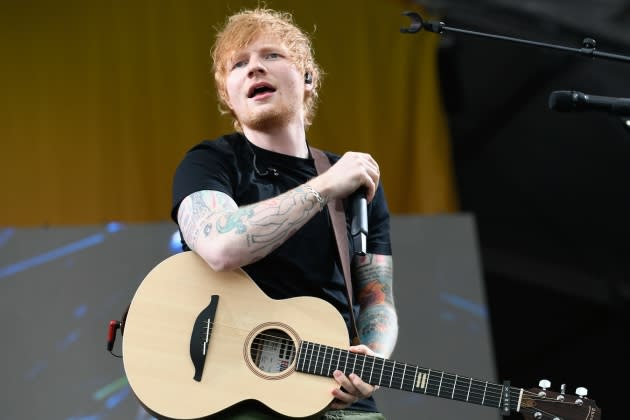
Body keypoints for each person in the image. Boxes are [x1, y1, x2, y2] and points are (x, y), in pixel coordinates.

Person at [170, 7, 398, 420]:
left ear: (308, 77)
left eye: (271, 56)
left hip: (334, 392)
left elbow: (376, 299)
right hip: (235, 395)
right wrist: (324, 187)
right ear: (228, 96)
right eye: (238, 64)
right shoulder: (211, 162)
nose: (254, 67)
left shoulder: (356, 184)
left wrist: (375, 358)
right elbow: (220, 246)